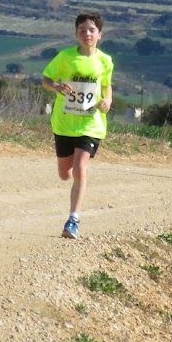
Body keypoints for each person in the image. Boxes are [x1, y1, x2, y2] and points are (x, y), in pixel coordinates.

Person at [41, 12, 114, 239]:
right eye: (82, 30)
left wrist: (108, 100)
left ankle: (73, 219)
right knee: (65, 173)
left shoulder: (105, 61)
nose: (87, 34)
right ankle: (69, 172)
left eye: (91, 30)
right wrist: (56, 87)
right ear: (76, 34)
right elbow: (45, 80)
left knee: (81, 167)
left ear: (99, 35)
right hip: (64, 123)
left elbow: (107, 86)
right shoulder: (64, 57)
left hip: (91, 124)